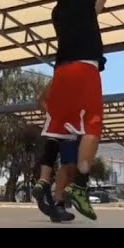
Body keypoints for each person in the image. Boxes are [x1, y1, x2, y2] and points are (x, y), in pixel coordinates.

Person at [42, 0, 124, 221]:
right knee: (93, 123)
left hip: (62, 72)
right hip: (83, 69)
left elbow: (90, 13)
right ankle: (78, 187)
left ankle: (49, 186)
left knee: (59, 130)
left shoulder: (57, 12)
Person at [32, 80, 79, 223]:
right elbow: (41, 100)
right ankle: (53, 195)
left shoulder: (87, 82)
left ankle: (56, 201)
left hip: (74, 126)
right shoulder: (60, 79)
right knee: (63, 158)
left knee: (70, 165)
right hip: (61, 123)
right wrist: (51, 113)